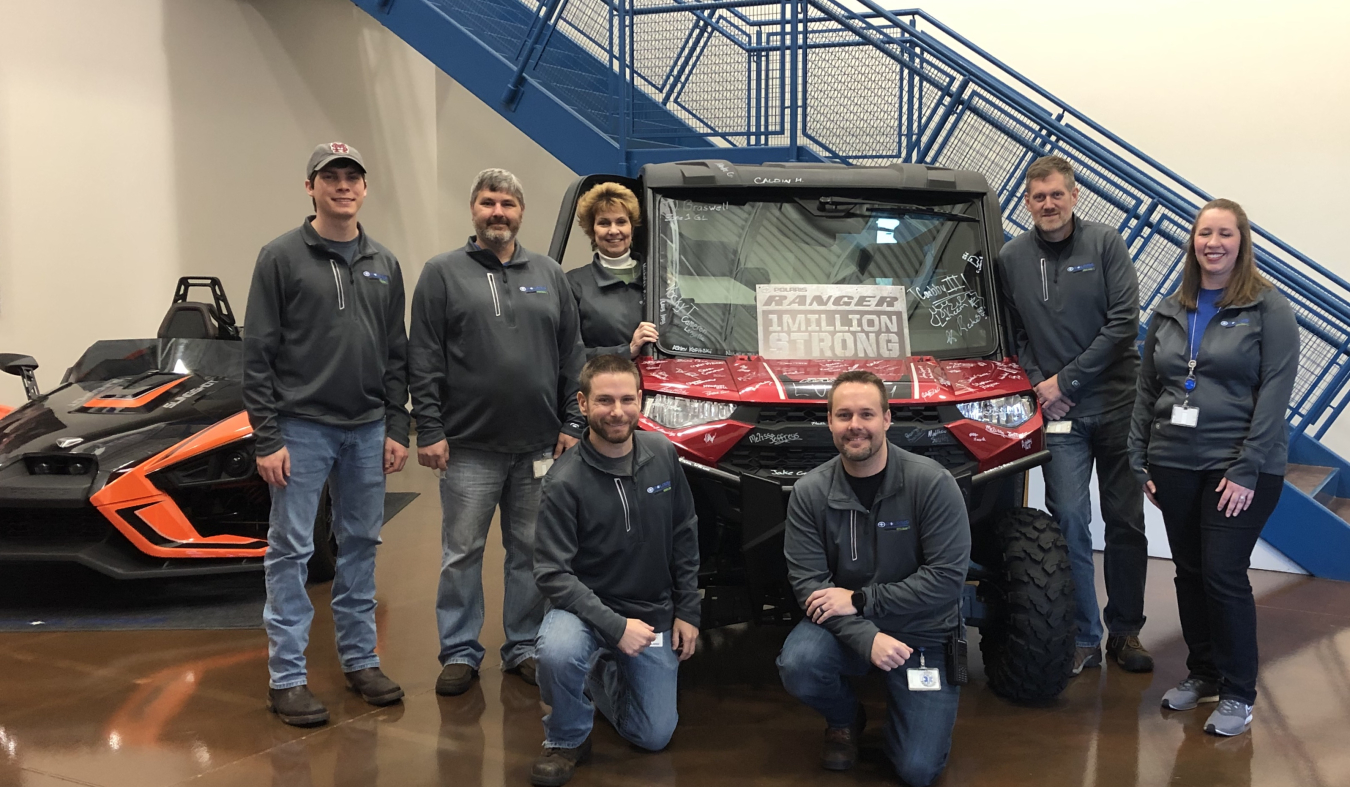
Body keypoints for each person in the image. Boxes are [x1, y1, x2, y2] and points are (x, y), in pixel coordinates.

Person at [243, 141, 410, 726]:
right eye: (330, 176)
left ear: (364, 189)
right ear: (310, 186)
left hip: (367, 430)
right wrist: (267, 437)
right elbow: (258, 352)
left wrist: (397, 424)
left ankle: (361, 660)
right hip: (301, 429)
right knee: (290, 550)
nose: (343, 186)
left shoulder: (385, 263)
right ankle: (286, 677)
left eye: (352, 177)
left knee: (361, 545)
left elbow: (397, 353)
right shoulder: (281, 257)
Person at [409, 168, 588, 696]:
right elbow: (423, 356)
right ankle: (460, 650)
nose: (498, 212)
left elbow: (570, 355)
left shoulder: (550, 273)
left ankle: (524, 645)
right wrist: (430, 429)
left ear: (521, 213)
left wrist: (573, 422)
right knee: (460, 552)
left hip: (539, 445)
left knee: (531, 551)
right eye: (488, 202)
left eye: (508, 203)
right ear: (473, 210)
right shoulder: (442, 273)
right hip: (468, 448)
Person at [1129, 198, 1299, 737]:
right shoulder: (1171, 308)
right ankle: (1202, 673)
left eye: (1225, 233)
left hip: (1242, 465)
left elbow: (1275, 393)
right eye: (1205, 233)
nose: (1214, 243)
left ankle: (1238, 692)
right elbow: (1147, 387)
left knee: (1224, 574)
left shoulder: (1269, 308)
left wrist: (1248, 468)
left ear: (1242, 242)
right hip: (1174, 461)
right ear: (1193, 242)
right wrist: (1139, 458)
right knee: (1191, 572)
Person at [997, 155, 1154, 675]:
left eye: (1056, 195)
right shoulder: (1011, 256)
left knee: (1125, 521)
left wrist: (1065, 381)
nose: (1048, 204)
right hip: (1058, 415)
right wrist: (1043, 385)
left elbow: (1123, 323)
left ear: (1074, 195)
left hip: (1117, 407)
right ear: (1027, 201)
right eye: (1038, 197)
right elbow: (1013, 332)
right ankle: (1084, 635)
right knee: (1068, 520)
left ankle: (1126, 632)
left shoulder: (1106, 244)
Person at [776, 371, 969, 787]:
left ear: (887, 418)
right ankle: (845, 719)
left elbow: (946, 580)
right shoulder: (809, 493)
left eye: (866, 413)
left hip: (925, 634)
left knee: (918, 771)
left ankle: (910, 707)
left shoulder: (932, 484)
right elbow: (810, 587)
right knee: (799, 663)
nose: (855, 425)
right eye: (843, 415)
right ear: (828, 422)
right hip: (846, 632)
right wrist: (867, 637)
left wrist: (862, 601)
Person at [529, 354, 700, 786]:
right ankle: (566, 738)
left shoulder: (662, 454)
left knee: (653, 735)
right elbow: (552, 575)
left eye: (627, 399)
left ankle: (597, 674)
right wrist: (615, 625)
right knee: (557, 650)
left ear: (641, 400)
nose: (617, 411)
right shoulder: (563, 481)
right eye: (604, 401)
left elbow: (684, 532)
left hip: (651, 611)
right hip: (585, 612)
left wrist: (688, 611)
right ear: (583, 404)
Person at [565, 182, 659, 359]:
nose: (614, 230)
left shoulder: (660, 279)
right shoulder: (574, 284)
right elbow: (569, 354)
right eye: (604, 223)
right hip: (606, 384)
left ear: (632, 226)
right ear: (592, 229)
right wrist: (626, 351)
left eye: (621, 222)